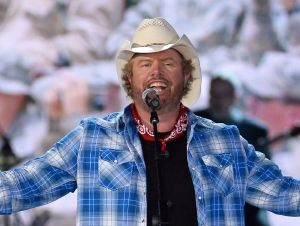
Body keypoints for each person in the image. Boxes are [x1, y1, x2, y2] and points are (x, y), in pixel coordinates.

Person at [1, 17, 300, 226]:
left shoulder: (227, 142)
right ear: (130, 79)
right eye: (145, 63)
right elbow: (23, 186)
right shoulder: (90, 139)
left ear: (186, 77)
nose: (156, 71)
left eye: (168, 63)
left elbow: (285, 194)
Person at [194, 75, 270, 226]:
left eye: (224, 95)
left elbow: (265, 175)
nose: (219, 101)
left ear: (234, 97)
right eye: (215, 94)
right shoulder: (193, 123)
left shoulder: (254, 130)